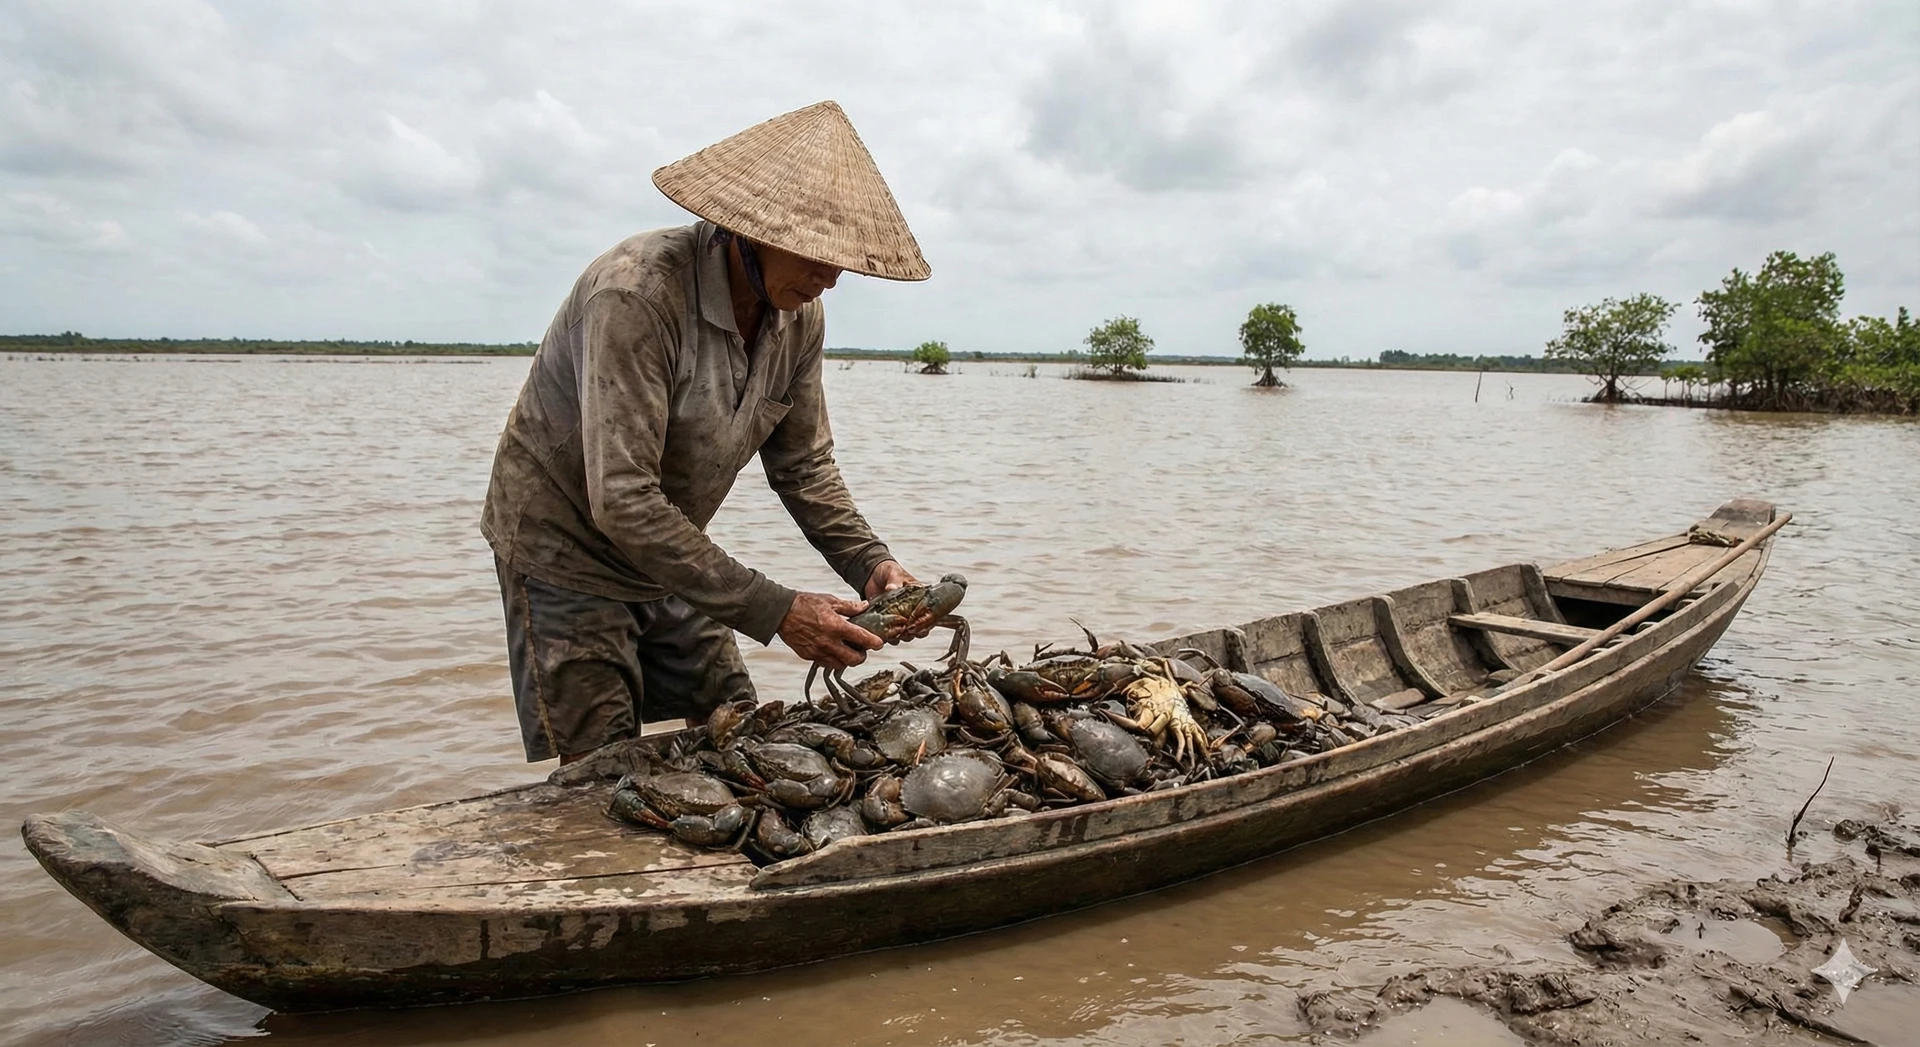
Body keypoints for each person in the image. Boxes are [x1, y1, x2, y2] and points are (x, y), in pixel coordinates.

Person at [481, 101, 934, 764]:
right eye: (816, 255)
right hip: (566, 551)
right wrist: (779, 610)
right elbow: (623, 498)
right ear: (747, 233)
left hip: (668, 551)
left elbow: (804, 468)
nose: (831, 278)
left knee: (742, 728)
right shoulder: (636, 294)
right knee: (600, 770)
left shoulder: (798, 317)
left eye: (843, 264)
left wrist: (872, 563)